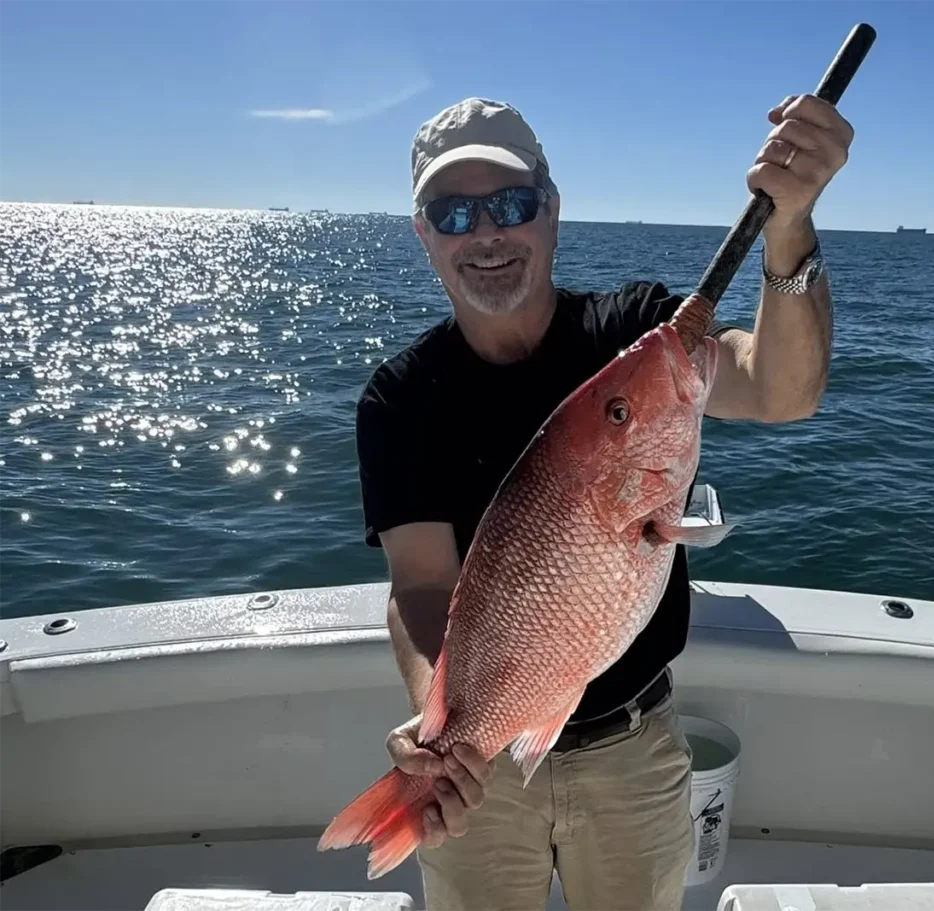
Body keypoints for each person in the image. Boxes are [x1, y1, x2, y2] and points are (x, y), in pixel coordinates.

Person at [354, 96, 853, 910]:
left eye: (512, 205)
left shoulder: (635, 334)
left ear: (551, 212)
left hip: (633, 745)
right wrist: (442, 736)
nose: (487, 233)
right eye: (454, 212)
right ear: (424, 233)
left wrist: (789, 223)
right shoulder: (399, 400)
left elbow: (782, 388)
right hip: (483, 780)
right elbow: (418, 587)